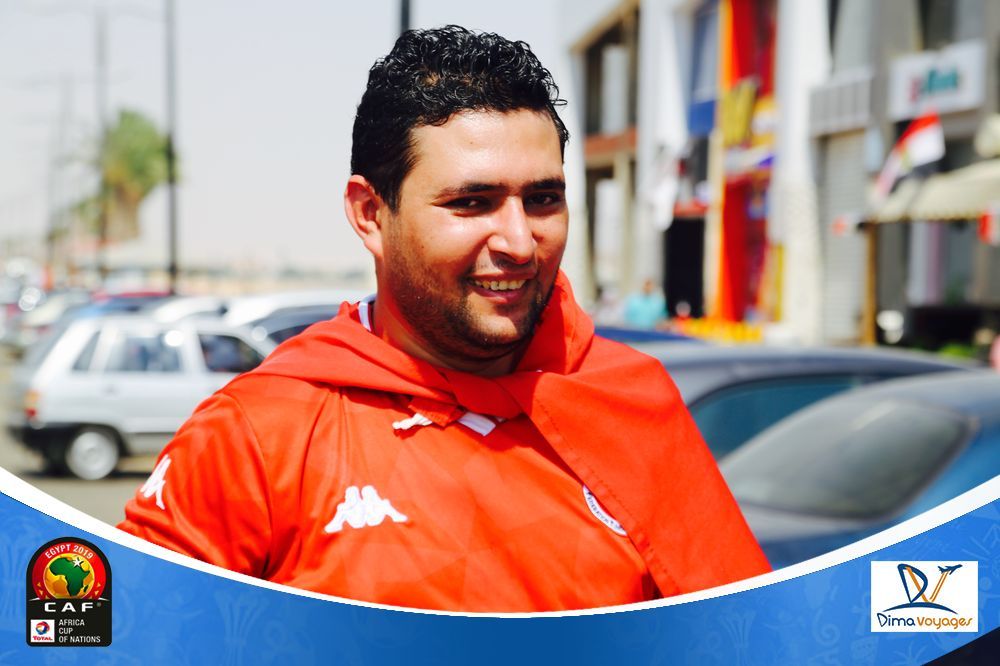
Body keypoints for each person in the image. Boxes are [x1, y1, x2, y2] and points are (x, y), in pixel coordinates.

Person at [119, 25, 769, 612]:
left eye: (543, 199)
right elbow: (105, 634)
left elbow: (746, 634)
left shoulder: (631, 397)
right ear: (371, 215)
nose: (520, 241)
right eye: (472, 202)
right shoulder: (258, 434)